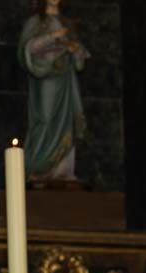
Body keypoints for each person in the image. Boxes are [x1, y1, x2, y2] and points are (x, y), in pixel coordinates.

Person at [19, 0, 90, 182]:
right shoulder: (36, 22)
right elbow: (27, 49)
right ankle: (36, 166)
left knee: (67, 122)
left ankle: (61, 171)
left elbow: (79, 52)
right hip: (46, 79)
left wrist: (75, 49)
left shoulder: (67, 23)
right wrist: (52, 37)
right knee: (45, 119)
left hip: (65, 79)